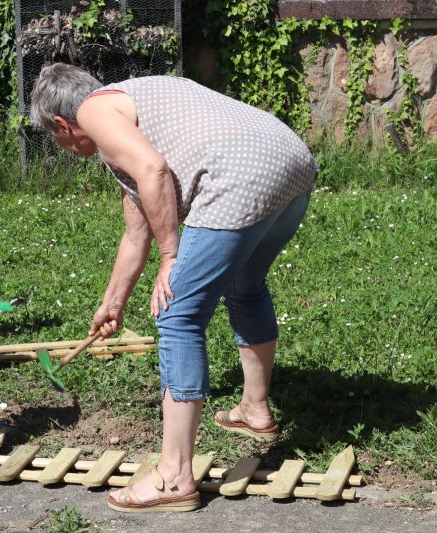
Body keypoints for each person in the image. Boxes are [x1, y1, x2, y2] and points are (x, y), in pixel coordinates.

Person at [30, 63, 317, 512]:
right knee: (245, 283)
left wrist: (171, 257)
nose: (63, 145)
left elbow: (155, 171)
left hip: (241, 178)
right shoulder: (136, 106)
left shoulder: (96, 112)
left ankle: (173, 477)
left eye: (55, 137)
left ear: (63, 124)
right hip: (293, 164)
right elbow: (135, 231)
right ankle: (254, 410)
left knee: (178, 314)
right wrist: (113, 303)